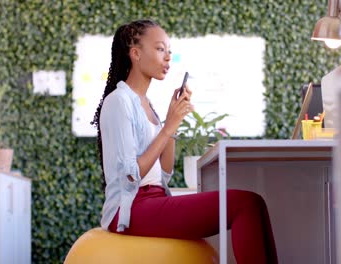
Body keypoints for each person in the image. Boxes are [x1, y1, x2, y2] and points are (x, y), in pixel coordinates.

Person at [91, 19, 277, 264]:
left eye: (169, 51)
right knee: (244, 204)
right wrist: (168, 127)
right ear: (135, 53)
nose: (168, 58)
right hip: (130, 209)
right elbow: (130, 176)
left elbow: (165, 172)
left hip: (154, 199)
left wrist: (172, 121)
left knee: (255, 203)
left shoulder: (146, 105)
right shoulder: (118, 101)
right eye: (160, 49)